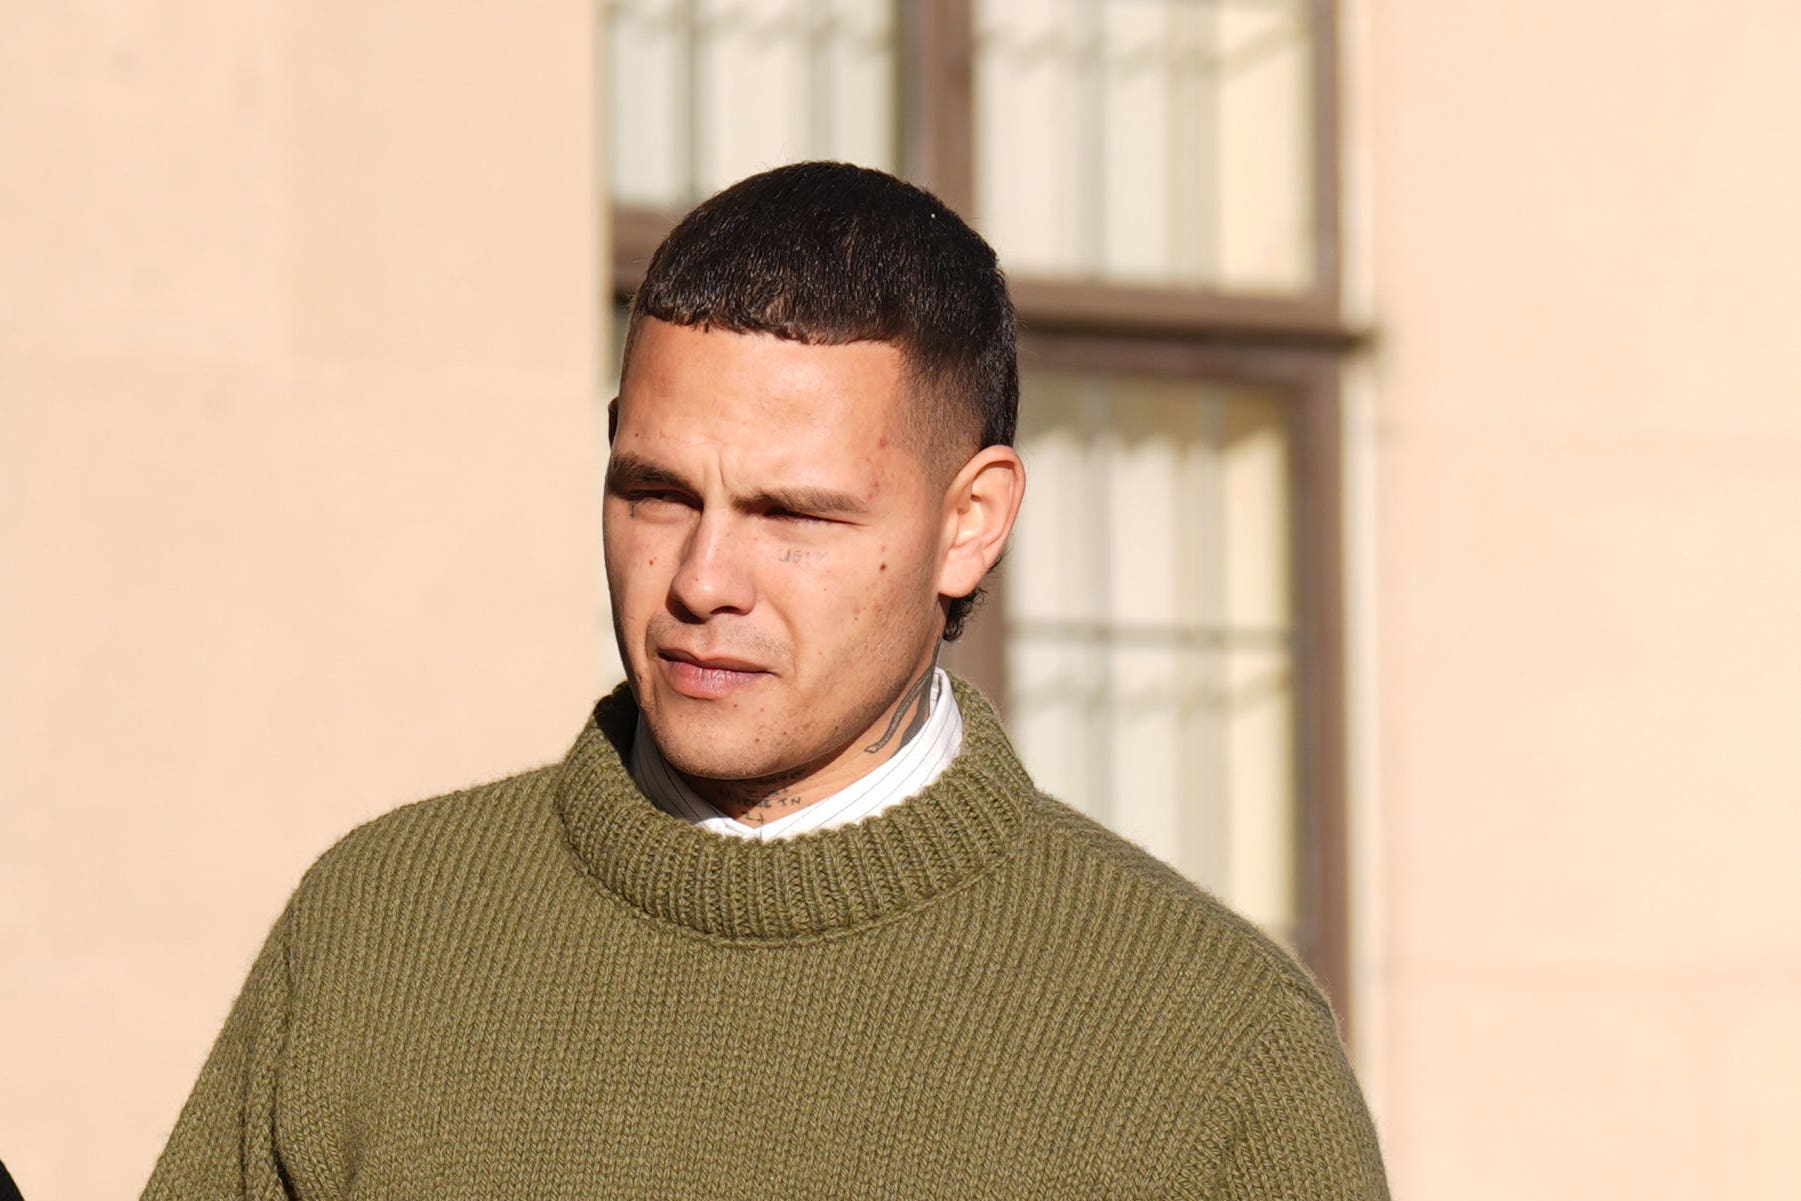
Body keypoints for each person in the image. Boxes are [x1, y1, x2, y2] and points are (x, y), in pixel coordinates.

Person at [143, 162, 1388, 1199]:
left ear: (972, 521)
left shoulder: (1210, 1047)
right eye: (656, 490)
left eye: (794, 515)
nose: (701, 578)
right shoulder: (381, 928)